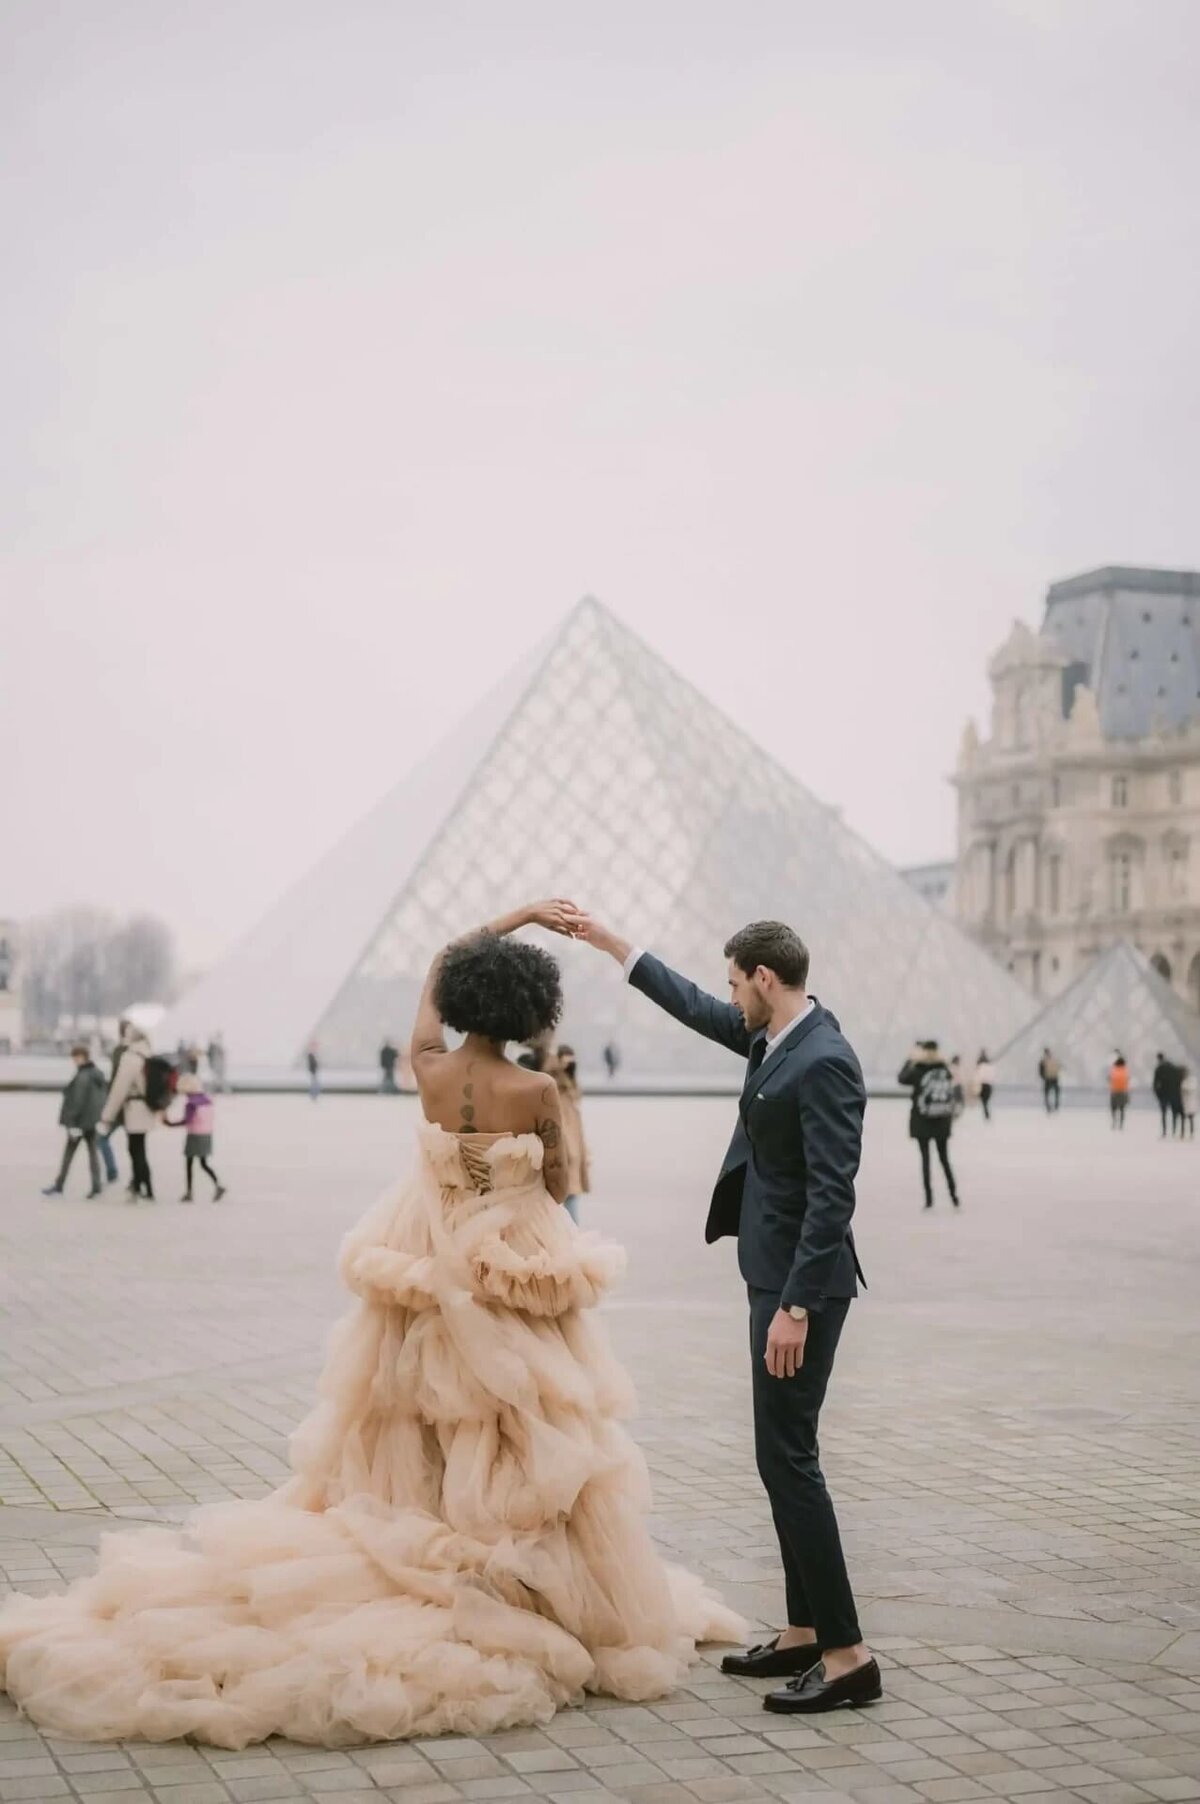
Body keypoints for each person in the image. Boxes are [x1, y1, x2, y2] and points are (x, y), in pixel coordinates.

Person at [0, 899, 742, 1747]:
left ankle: (426, 1539)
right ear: (531, 1011)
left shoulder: (427, 1068)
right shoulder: (538, 1086)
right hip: (509, 1277)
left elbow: (438, 968)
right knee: (521, 1433)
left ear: (467, 1000)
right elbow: (560, 1179)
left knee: (415, 1424)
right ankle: (507, 1569)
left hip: (423, 1265)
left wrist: (515, 917)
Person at [577, 912, 879, 1717]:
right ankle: (803, 1628)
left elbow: (832, 1197)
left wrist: (798, 1309)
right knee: (779, 1454)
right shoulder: (777, 1038)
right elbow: (698, 1010)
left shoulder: (824, 1061)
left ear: (764, 979)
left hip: (796, 1290)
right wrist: (615, 945)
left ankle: (848, 1655)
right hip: (773, 1278)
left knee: (789, 1458)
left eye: (735, 981)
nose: (729, 996)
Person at [98, 1024, 163, 1202]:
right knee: (140, 1148)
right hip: (147, 1107)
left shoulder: (130, 1057)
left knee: (135, 1150)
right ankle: (146, 1188)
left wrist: (107, 1116)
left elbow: (119, 1089)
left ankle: (140, 1188)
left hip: (134, 1108)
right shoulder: (147, 1053)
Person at [897, 1041, 960, 1210]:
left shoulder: (918, 1069)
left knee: (925, 1159)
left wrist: (910, 1059)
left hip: (922, 1120)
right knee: (944, 1159)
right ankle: (954, 1196)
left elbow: (901, 1078)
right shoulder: (944, 1068)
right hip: (941, 1118)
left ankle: (929, 1199)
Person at [41, 1046, 108, 1199]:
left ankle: (59, 1186)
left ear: (82, 1057)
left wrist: (71, 1123)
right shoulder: (96, 1073)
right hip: (92, 1121)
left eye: (75, 1057)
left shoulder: (83, 1076)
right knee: (93, 1155)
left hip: (80, 1123)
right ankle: (96, 1187)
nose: (74, 1061)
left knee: (68, 1155)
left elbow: (77, 1101)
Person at [164, 1074, 226, 1202]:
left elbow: (187, 1121)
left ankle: (189, 1192)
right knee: (203, 1163)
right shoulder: (207, 1100)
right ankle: (218, 1185)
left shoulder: (191, 1104)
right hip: (207, 1135)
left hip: (194, 1135)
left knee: (189, 1164)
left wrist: (169, 1123)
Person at [96, 1019, 131, 1187]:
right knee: (136, 1145)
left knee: (101, 1138)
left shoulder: (120, 1051)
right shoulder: (140, 1052)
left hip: (119, 1105)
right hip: (133, 1105)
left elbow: (118, 1079)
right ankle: (136, 1178)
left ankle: (112, 1171)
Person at [1109, 1054, 1130, 1130]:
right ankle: (1121, 1124)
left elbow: (1110, 1079)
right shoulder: (1125, 1070)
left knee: (1113, 1108)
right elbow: (1127, 1080)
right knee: (1122, 1109)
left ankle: (1114, 1121)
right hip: (1123, 1092)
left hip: (1114, 1091)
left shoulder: (1114, 1070)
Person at [973, 1050, 995, 1120]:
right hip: (989, 1085)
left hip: (983, 1085)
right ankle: (987, 1114)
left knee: (984, 1101)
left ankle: (986, 1114)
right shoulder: (989, 1066)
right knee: (985, 1101)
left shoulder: (981, 1067)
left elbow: (978, 1077)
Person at [1038, 1048, 1061, 1113]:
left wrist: (1043, 1077)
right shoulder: (1054, 1059)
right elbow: (1059, 1067)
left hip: (1048, 1079)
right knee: (1056, 1092)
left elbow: (1041, 1071)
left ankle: (1049, 1106)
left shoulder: (1043, 1060)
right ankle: (1055, 1105)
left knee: (1047, 1094)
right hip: (1054, 1078)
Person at [1181, 1066, 1197, 1138]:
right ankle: (1183, 1133)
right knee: (1184, 1119)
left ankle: (1191, 1133)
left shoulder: (1191, 1080)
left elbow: (1190, 1089)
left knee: (1190, 1119)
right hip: (1185, 1102)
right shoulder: (1183, 1080)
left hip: (1190, 1102)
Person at [949, 1054, 965, 1118]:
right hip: (954, 1086)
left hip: (958, 1085)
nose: (959, 1061)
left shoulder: (957, 1067)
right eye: (958, 1060)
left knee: (959, 1101)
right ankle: (954, 1113)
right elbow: (951, 1077)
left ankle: (956, 1113)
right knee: (956, 1100)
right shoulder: (952, 1067)